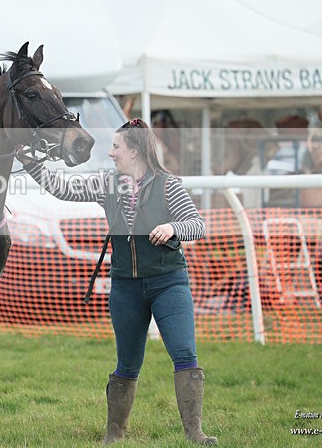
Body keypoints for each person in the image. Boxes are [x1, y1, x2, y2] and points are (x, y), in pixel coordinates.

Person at [19, 118, 217, 445]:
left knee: (184, 354)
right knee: (127, 363)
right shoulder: (107, 183)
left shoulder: (169, 185)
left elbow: (197, 225)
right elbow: (61, 187)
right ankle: (114, 434)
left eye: (116, 147)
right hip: (125, 287)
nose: (110, 154)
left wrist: (173, 228)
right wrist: (28, 160)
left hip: (169, 283)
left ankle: (195, 433)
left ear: (135, 151)